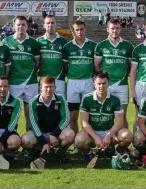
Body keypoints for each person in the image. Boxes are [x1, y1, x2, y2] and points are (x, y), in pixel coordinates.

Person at [74, 71, 133, 159]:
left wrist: (109, 135)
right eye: (99, 83)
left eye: (104, 83)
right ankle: (89, 154)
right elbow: (84, 123)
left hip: (110, 133)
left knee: (127, 135)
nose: (101, 86)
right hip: (92, 133)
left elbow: (120, 122)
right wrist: (96, 137)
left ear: (108, 83)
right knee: (79, 140)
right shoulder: (87, 98)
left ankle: (116, 153)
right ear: (94, 84)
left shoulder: (115, 99)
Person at [62, 20, 97, 153]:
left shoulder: (93, 45)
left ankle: (86, 142)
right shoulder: (68, 47)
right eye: (77, 30)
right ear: (73, 31)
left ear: (85, 29)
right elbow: (65, 66)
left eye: (82, 29)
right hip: (72, 83)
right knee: (73, 116)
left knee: (88, 115)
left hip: (88, 82)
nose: (79, 32)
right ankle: (77, 145)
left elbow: (95, 65)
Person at [22, 76, 74, 163]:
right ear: (41, 88)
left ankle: (60, 153)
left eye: (51, 86)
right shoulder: (33, 102)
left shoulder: (60, 99)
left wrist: (54, 134)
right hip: (40, 132)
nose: (49, 89)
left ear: (55, 88)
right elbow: (33, 123)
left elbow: (66, 118)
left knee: (70, 134)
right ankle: (36, 152)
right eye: (46, 87)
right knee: (25, 140)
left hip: (56, 132)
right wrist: (43, 142)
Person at [2, 16, 41, 132]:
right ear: (14, 26)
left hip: (31, 82)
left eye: (23, 25)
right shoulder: (6, 41)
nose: (20, 27)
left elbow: (37, 63)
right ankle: (11, 138)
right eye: (18, 25)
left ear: (27, 26)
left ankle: (29, 142)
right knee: (12, 112)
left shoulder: (33, 43)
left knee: (30, 113)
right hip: (13, 82)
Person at [94, 19, 134, 129]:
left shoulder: (128, 46)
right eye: (112, 28)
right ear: (107, 29)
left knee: (122, 116)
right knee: (106, 115)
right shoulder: (101, 45)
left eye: (117, 28)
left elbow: (130, 66)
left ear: (120, 29)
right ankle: (107, 142)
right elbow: (97, 66)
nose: (114, 31)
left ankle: (123, 142)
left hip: (122, 84)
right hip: (107, 85)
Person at [37, 15, 69, 99]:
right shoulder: (38, 41)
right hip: (44, 80)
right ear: (44, 25)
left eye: (52, 23)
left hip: (59, 79)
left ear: (56, 25)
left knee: (60, 104)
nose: (50, 25)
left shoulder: (63, 41)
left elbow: (66, 62)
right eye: (48, 23)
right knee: (43, 105)